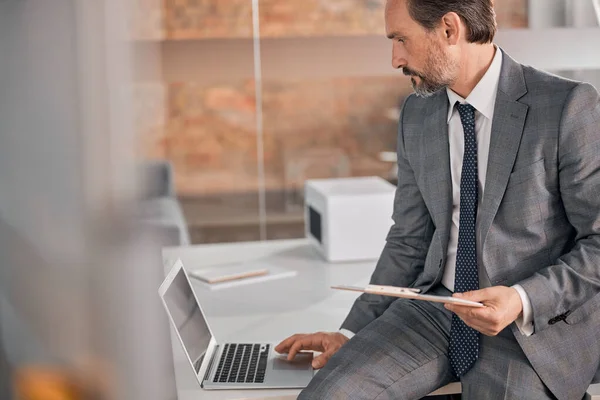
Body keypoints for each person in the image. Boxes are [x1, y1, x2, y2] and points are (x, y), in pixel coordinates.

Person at [275, 0, 600, 399]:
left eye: (401, 40)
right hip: (435, 309)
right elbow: (409, 238)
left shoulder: (567, 106)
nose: (395, 59)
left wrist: (519, 299)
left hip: (530, 326)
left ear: (449, 29)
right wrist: (349, 331)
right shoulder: (418, 113)